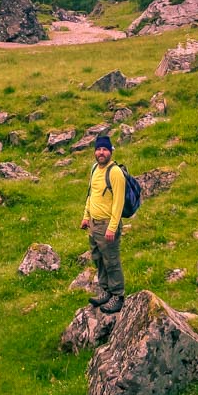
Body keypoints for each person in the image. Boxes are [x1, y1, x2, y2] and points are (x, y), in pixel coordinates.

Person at [80, 134, 126, 313]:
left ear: (110, 152)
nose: (101, 152)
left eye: (105, 149)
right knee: (98, 259)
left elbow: (119, 202)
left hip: (107, 225)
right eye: (98, 149)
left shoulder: (115, 172)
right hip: (94, 224)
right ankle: (105, 291)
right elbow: (91, 195)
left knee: (111, 261)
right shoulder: (94, 169)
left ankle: (117, 296)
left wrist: (112, 227)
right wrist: (86, 217)